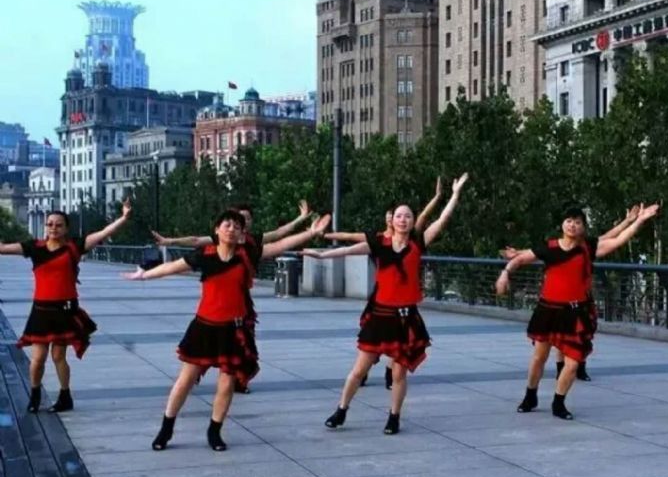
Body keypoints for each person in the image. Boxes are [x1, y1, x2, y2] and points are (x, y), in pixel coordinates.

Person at [124, 209, 329, 451]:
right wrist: (144, 275)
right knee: (185, 380)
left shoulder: (247, 255)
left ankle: (215, 431)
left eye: (236, 226)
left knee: (226, 383)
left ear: (242, 234)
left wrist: (310, 233)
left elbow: (281, 244)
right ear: (217, 230)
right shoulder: (205, 254)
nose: (231, 229)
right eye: (227, 225)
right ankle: (166, 428)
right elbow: (172, 267)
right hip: (203, 327)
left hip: (233, 330)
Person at [305, 173, 468, 435]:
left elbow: (441, 220)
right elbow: (347, 250)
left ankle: (394, 417)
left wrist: (455, 195)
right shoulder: (379, 243)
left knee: (398, 375)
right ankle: (341, 410)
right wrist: (321, 255)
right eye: (399, 215)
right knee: (359, 370)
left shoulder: (418, 243)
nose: (403, 219)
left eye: (408, 216)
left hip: (405, 318)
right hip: (380, 316)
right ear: (392, 220)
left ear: (413, 221)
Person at [496, 204, 658, 420]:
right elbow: (520, 259)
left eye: (578, 222)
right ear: (562, 224)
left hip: (575, 312)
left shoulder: (588, 248)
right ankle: (530, 395)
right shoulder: (549, 247)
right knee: (539, 358)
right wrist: (505, 273)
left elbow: (618, 239)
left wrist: (638, 221)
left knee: (573, 363)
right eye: (569, 221)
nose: (573, 225)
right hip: (548, 310)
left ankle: (559, 402)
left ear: (583, 226)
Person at [152, 200, 313, 394]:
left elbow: (280, 236)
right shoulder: (222, 238)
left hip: (241, 300)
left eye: (246, 219)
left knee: (243, 341)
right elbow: (195, 240)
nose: (240, 222)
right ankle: (195, 373)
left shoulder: (254, 241)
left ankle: (239, 380)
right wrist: (169, 242)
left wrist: (300, 219)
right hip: (219, 301)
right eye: (237, 218)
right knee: (207, 342)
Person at [0, 200, 132, 413]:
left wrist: (123, 218)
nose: (53, 228)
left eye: (58, 225)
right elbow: (3, 248)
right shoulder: (34, 247)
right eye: (50, 224)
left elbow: (103, 233)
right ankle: (35, 395)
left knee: (58, 356)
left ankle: (65, 396)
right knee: (38, 358)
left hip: (64, 310)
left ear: (66, 228)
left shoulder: (74, 247)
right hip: (41, 311)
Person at [324, 178, 442, 390]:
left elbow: (425, 216)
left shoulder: (412, 240)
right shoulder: (378, 240)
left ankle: (391, 373)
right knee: (374, 338)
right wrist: (324, 235)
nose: (397, 220)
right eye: (394, 216)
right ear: (389, 220)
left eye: (403, 216)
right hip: (381, 297)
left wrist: (438, 197)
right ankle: (364, 371)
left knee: (398, 340)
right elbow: (349, 238)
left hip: (401, 300)